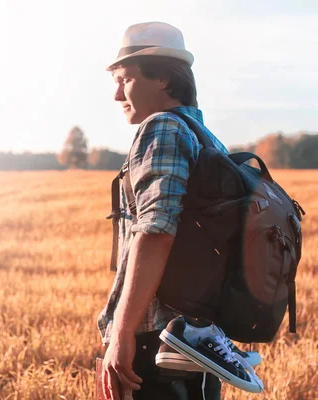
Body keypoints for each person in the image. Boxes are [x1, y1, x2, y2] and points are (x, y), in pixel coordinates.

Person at [97, 21, 231, 399]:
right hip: (192, 336)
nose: (116, 94)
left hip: (155, 339)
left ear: (163, 79)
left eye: (125, 79)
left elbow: (156, 229)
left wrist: (122, 333)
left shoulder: (163, 129)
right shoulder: (204, 136)